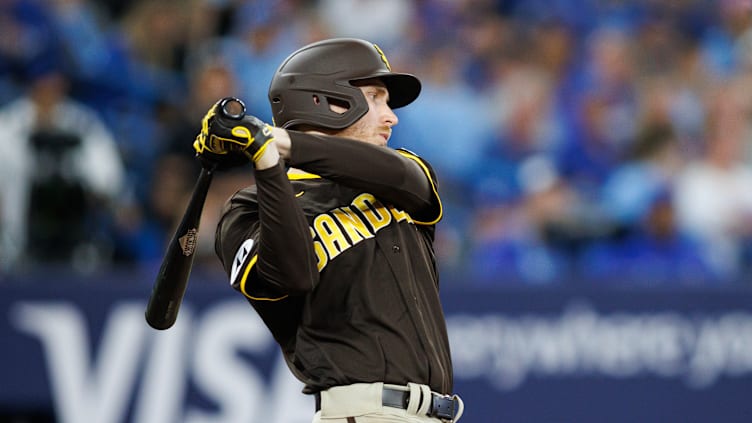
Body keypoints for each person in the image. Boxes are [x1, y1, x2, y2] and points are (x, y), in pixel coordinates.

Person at [192, 38, 463, 422]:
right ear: (328, 101)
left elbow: (403, 178)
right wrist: (268, 163)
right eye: (376, 97)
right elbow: (293, 274)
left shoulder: (399, 172)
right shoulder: (245, 211)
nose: (391, 116)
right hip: (362, 412)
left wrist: (277, 141)